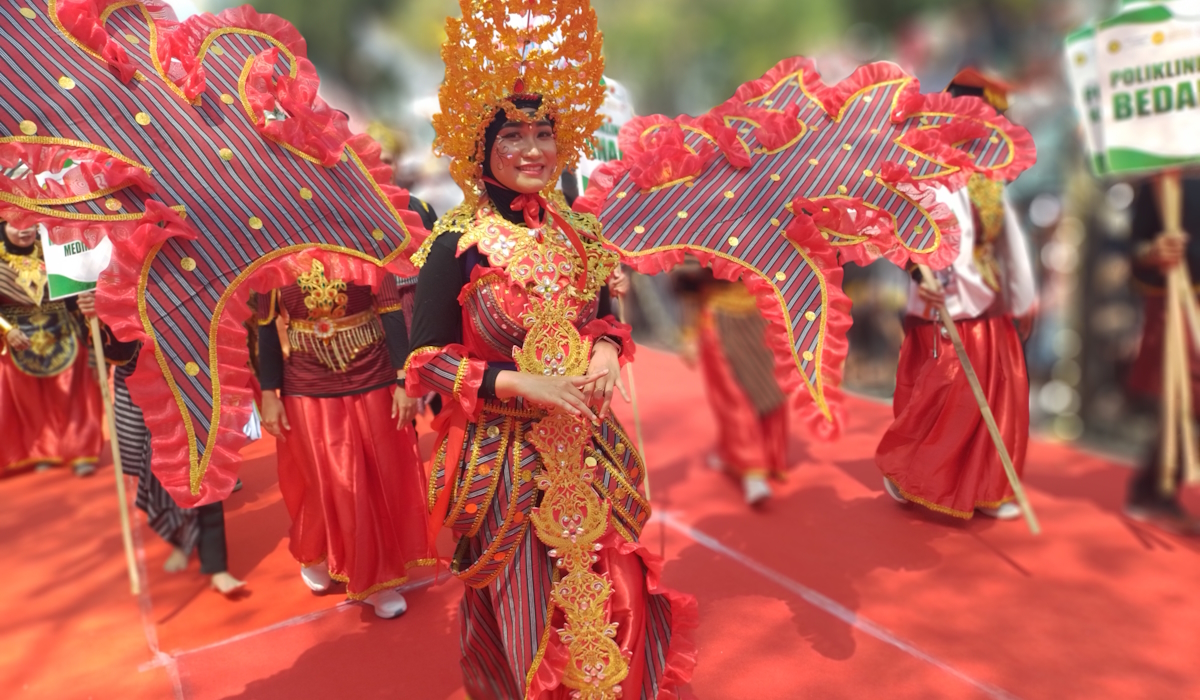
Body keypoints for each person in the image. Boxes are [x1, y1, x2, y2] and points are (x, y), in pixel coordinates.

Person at [405, 5, 696, 694]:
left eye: (545, 133)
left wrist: (604, 352)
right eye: (515, 136)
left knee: (619, 591)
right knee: (531, 610)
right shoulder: (456, 242)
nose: (535, 150)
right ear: (481, 152)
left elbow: (603, 316)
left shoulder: (579, 233)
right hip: (507, 462)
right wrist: (518, 384)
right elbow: (423, 361)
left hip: (589, 451)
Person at [875, 69, 1037, 521]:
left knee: (1001, 395)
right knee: (944, 392)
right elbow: (899, 227)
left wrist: (1023, 296)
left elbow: (1008, 242)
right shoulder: (917, 165)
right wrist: (916, 270)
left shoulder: (991, 178)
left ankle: (987, 486)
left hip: (988, 299)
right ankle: (911, 469)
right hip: (940, 301)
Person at [256, 219, 434, 618]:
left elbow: (391, 314)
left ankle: (372, 575)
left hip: (373, 375)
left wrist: (405, 381)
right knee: (328, 478)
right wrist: (269, 394)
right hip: (306, 383)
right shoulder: (269, 250)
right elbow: (266, 329)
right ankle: (316, 550)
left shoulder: (366, 237)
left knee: (375, 475)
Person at [81, 290, 246, 594]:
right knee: (156, 468)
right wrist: (97, 311)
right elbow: (114, 347)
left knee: (200, 465)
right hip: (139, 384)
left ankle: (217, 565)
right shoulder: (109, 273)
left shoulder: (178, 260)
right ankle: (180, 539)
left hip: (189, 371)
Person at [1123, 178, 1200, 534]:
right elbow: (1136, 252)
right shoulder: (1164, 179)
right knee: (1186, 397)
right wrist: (1155, 252)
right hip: (1182, 299)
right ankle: (1154, 489)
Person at [675, 264, 788, 505]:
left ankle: (755, 455)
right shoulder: (698, 230)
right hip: (718, 318)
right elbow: (687, 284)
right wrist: (688, 335)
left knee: (770, 389)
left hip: (763, 313)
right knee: (733, 397)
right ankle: (752, 469)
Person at [0, 220, 102, 477]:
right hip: (18, 337)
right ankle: (44, 450)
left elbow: (80, 289)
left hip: (63, 330)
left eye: (28, 225)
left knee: (74, 394)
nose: (22, 230)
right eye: (14, 225)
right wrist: (7, 330)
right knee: (30, 400)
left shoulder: (56, 252)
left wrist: (89, 303)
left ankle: (80, 450)